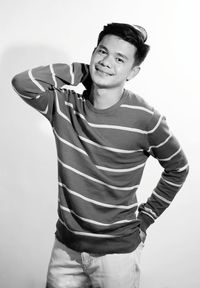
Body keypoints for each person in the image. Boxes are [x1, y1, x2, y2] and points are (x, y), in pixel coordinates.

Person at [12, 23, 189, 288]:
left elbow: (178, 168)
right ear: (92, 53)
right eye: (102, 52)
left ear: (133, 71)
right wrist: (84, 72)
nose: (107, 62)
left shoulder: (145, 119)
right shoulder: (64, 106)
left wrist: (147, 218)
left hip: (117, 256)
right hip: (66, 249)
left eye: (119, 59)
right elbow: (22, 83)